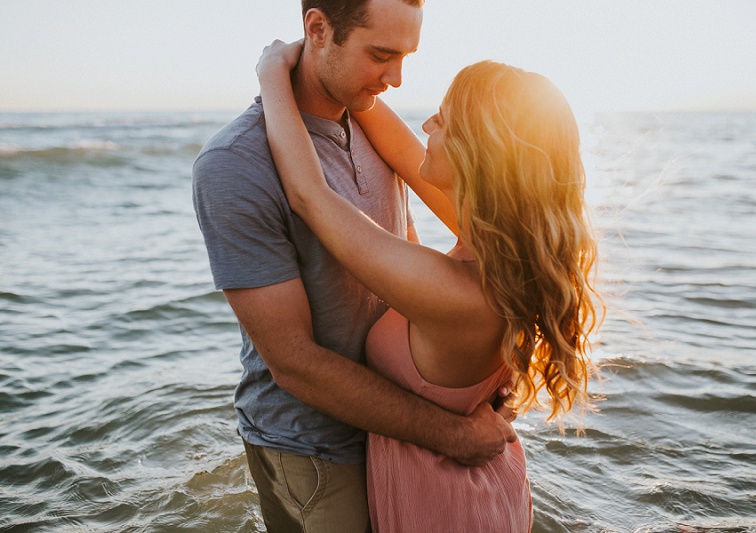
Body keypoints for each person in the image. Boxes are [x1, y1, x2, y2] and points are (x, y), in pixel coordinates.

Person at [192, 1, 516, 531]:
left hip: (409, 438)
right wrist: (455, 425)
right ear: (317, 29)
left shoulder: (371, 127)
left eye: (406, 56)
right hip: (317, 452)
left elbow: (390, 242)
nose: (396, 80)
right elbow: (293, 362)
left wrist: (466, 391)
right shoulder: (235, 165)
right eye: (382, 55)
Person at [256, 39, 604, 531]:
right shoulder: (504, 256)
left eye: (441, 121)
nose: (425, 127)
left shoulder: (458, 292)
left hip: (446, 508)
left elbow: (310, 197)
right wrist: (351, 75)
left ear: (476, 153)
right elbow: (401, 149)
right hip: (477, 490)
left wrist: (271, 72)